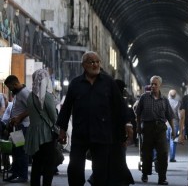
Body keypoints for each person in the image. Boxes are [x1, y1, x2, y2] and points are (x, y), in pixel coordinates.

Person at [56, 51, 131, 186]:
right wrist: (62, 129)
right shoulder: (76, 84)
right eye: (91, 62)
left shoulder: (108, 82)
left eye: (97, 62)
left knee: (101, 170)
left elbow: (119, 105)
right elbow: (66, 107)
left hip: (102, 133)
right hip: (80, 132)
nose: (95, 64)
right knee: (74, 167)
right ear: (83, 65)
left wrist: (127, 123)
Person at [135, 75, 175, 185]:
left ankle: (162, 178)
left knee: (163, 153)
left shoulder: (165, 100)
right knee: (146, 153)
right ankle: (145, 173)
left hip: (161, 129)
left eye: (155, 84)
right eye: (151, 84)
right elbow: (138, 113)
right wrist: (138, 126)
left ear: (160, 85)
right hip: (147, 128)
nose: (153, 86)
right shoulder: (144, 97)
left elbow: (170, 115)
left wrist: (173, 130)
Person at [24, 69, 58, 186]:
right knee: (49, 163)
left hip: (33, 133)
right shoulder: (46, 96)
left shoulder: (30, 96)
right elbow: (54, 117)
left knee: (37, 163)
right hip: (46, 134)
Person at [4, 75, 31, 183]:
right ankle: (15, 173)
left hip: (22, 127)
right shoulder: (18, 93)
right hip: (17, 128)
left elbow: (32, 108)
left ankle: (23, 176)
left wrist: (19, 117)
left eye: (10, 87)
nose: (9, 89)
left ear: (15, 84)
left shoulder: (24, 93)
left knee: (21, 152)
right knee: (15, 152)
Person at [167, 89, 181, 162]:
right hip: (175, 124)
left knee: (163, 141)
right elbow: (179, 115)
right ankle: (172, 158)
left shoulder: (165, 102)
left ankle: (161, 157)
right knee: (173, 141)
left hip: (165, 124)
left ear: (169, 94)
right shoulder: (177, 103)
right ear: (175, 96)